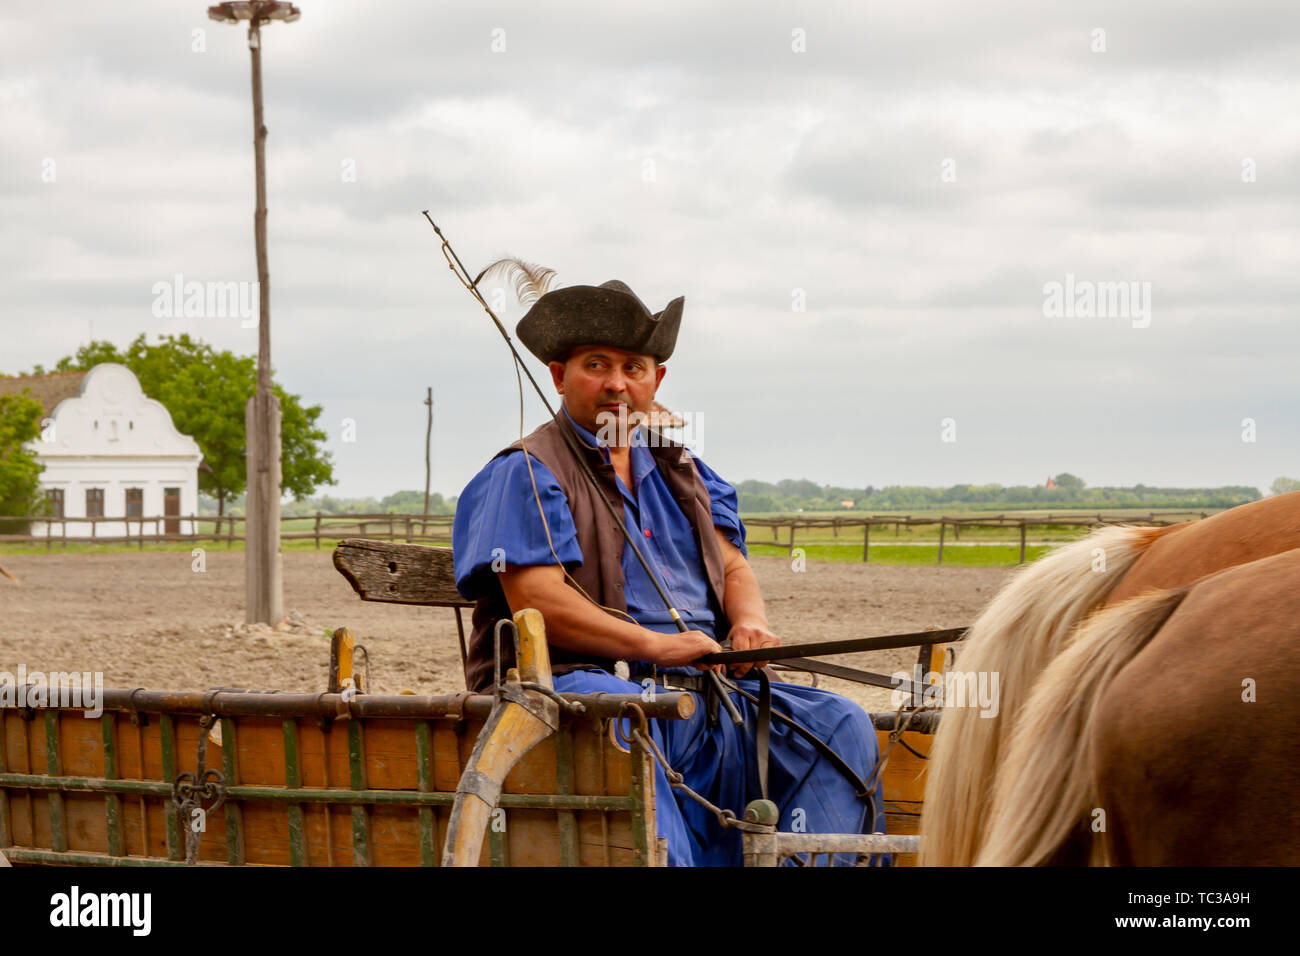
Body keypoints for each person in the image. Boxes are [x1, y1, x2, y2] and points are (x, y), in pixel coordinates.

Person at [451, 279, 885, 865]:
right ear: (558, 376)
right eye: (596, 365)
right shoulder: (526, 471)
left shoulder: (687, 472)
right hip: (584, 683)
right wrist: (660, 644)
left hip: (709, 690)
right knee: (628, 714)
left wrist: (749, 623)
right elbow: (539, 599)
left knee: (841, 721)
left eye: (634, 366)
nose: (616, 383)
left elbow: (732, 564)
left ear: (656, 380)